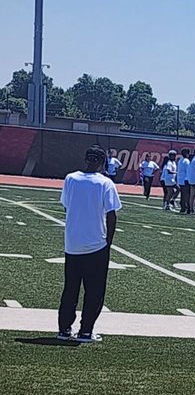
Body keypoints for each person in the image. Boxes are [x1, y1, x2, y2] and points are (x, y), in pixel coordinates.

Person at [56, 146, 122, 343]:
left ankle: (64, 329)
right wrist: (108, 243)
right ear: (103, 162)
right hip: (95, 244)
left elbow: (67, 206)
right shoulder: (105, 183)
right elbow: (112, 215)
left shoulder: (71, 179)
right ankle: (86, 331)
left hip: (72, 243)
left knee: (70, 288)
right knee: (94, 291)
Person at [176, 148, 192, 213]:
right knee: (187, 194)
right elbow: (188, 171)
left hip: (180, 179)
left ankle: (183, 207)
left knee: (183, 194)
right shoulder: (187, 161)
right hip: (185, 179)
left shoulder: (180, 160)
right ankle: (187, 207)